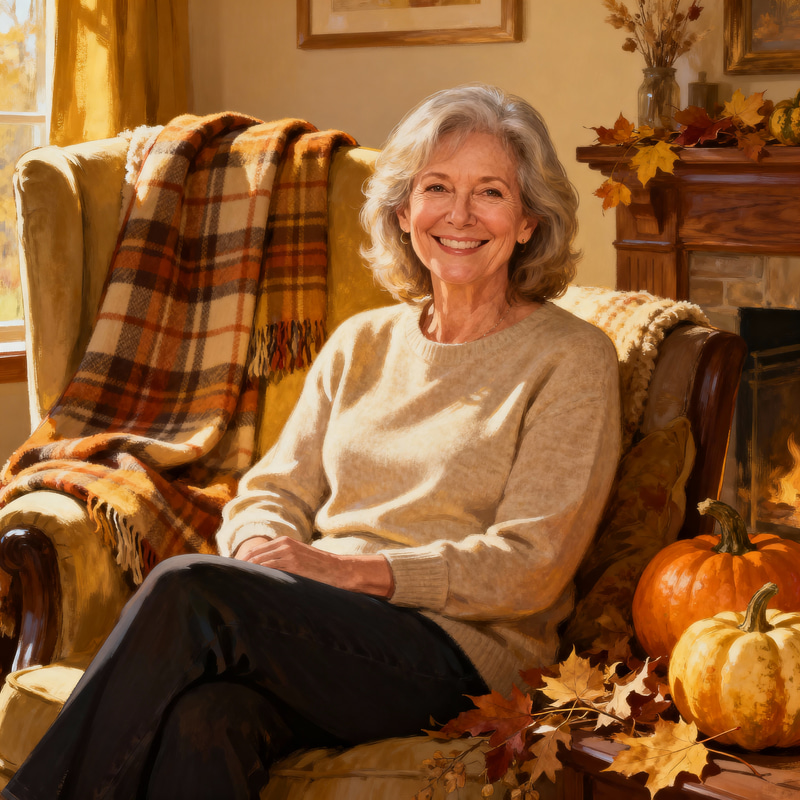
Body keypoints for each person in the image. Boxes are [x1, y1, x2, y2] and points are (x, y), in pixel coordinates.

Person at [2, 84, 621, 800]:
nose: (459, 214)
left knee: (189, 588)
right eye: (436, 188)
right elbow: (271, 490)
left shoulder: (571, 358)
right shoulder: (363, 342)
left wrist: (354, 572)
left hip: (462, 653)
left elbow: (530, 566)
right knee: (209, 720)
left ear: (529, 221)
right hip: (322, 623)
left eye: (490, 192)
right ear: (403, 212)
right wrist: (260, 547)